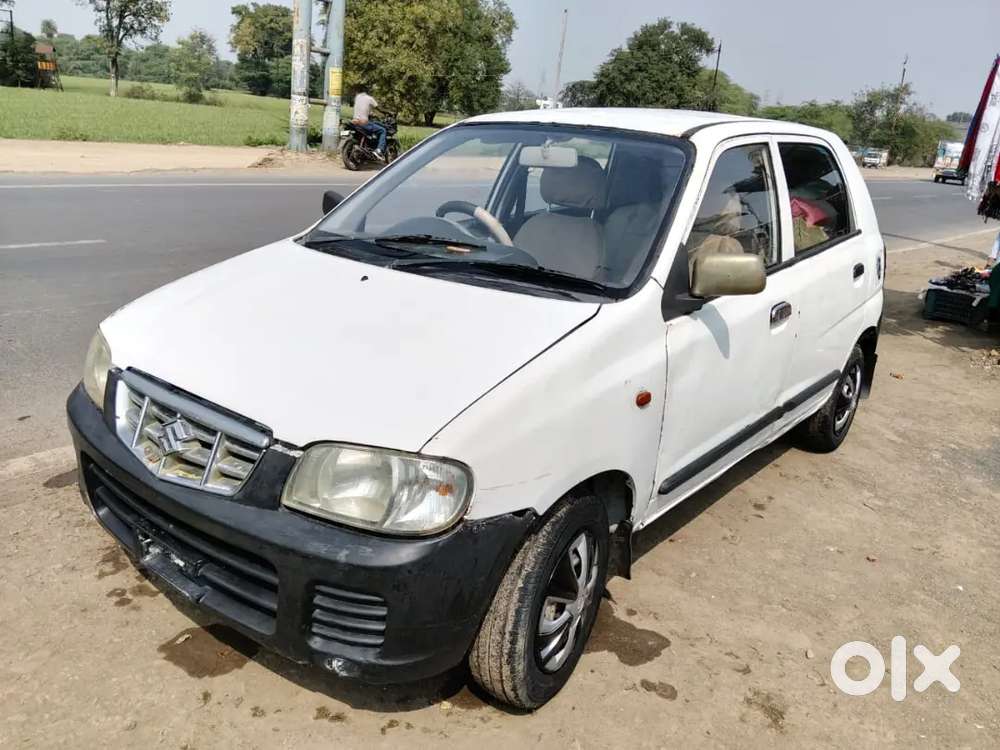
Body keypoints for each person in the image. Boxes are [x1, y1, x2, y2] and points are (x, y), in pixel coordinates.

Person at [352, 86, 387, 160]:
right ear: (367, 91)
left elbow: (363, 108)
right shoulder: (370, 98)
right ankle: (379, 151)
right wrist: (388, 112)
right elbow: (379, 109)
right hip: (363, 122)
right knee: (382, 130)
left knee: (371, 127)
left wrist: (371, 114)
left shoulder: (357, 97)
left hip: (354, 121)